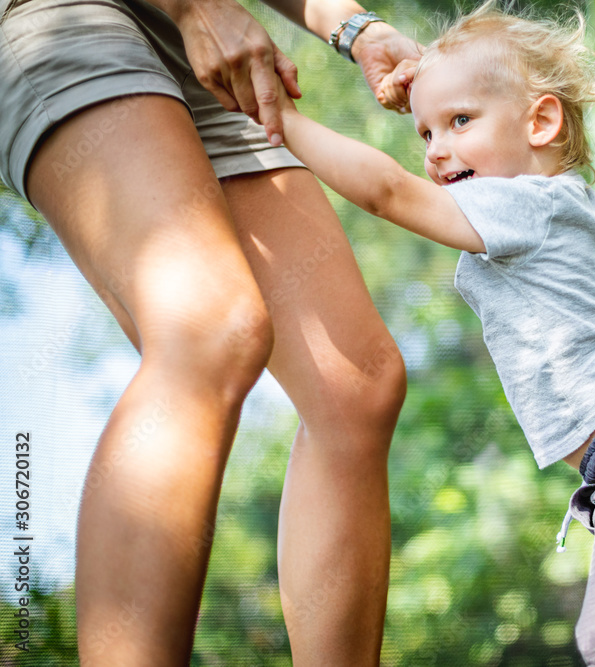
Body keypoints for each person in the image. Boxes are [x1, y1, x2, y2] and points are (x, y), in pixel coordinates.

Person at [276, 3, 595, 665]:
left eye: (460, 121)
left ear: (541, 121)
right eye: (426, 133)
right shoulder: (557, 203)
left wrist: (280, 120)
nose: (438, 150)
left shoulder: (525, 203)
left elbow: (386, 191)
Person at [0, 0, 419, 663]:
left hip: (188, 42)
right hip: (62, 13)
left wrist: (354, 27)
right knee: (209, 325)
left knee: (356, 385)